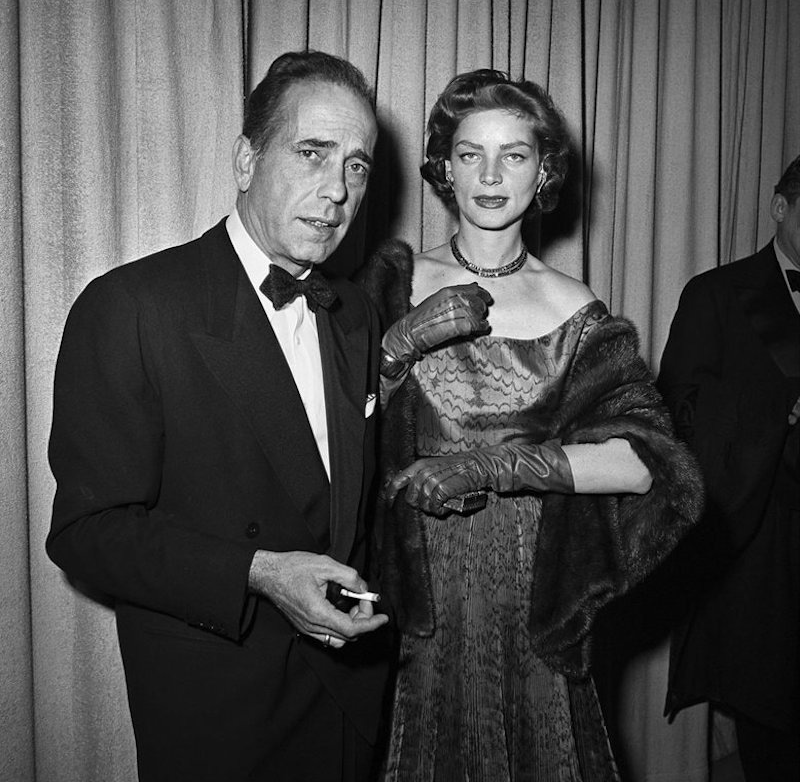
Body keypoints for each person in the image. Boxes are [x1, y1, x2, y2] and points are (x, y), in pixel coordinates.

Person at [46, 50, 392, 782]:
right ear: (246, 160)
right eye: (312, 153)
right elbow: (86, 532)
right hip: (221, 721)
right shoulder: (132, 308)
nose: (336, 190)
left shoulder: (357, 313)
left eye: (357, 166)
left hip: (347, 710)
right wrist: (259, 572)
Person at [357, 69, 703, 781]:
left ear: (543, 170)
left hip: (533, 601)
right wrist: (393, 352)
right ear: (442, 167)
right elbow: (327, 438)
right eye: (469, 153)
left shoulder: (575, 308)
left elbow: (648, 463)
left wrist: (498, 467)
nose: (490, 174)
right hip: (418, 605)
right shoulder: (387, 284)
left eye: (513, 154)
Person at [659, 155, 800, 780]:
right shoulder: (715, 293)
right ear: (780, 207)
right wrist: (779, 413)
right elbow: (674, 415)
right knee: (768, 733)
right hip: (762, 549)